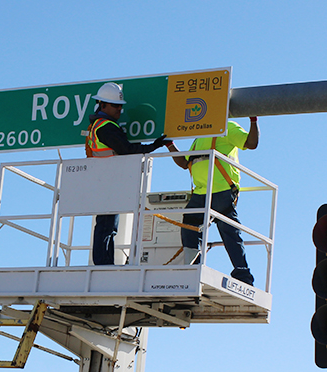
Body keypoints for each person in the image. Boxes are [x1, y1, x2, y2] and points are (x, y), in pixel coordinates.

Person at [86, 82, 170, 265]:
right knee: (107, 226)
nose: (119, 110)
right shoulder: (106, 127)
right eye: (115, 106)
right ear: (102, 105)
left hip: (104, 179)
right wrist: (153, 146)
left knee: (106, 225)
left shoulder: (97, 126)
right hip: (108, 180)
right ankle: (103, 263)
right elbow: (127, 149)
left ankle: (104, 262)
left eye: (120, 106)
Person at [168, 117, 259, 285]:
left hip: (222, 191)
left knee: (228, 230)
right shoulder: (201, 135)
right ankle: (193, 270)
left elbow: (251, 143)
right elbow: (184, 162)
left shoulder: (228, 127)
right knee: (190, 228)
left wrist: (253, 121)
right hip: (201, 193)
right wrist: (169, 145)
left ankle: (242, 275)